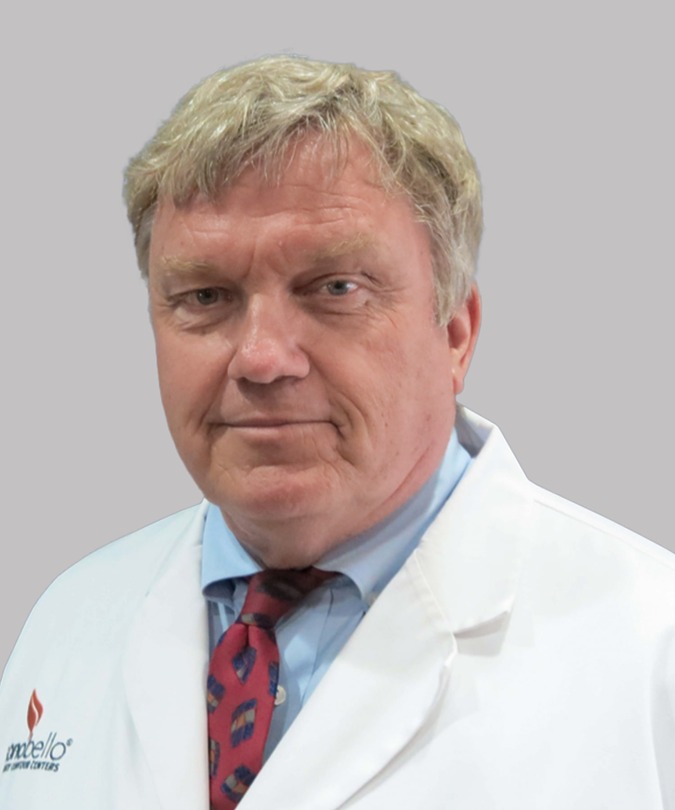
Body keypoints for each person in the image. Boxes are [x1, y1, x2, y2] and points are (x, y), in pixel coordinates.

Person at [1, 55, 673, 810]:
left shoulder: (650, 649)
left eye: (335, 288)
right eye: (206, 296)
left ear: (455, 333)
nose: (261, 358)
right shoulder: (70, 622)